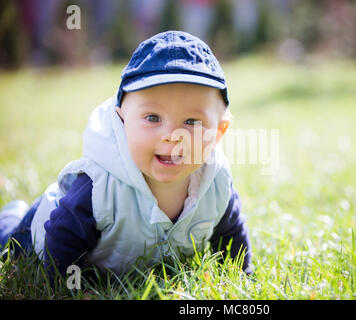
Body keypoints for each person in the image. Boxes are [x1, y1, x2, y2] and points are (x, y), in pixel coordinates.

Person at [0, 31, 252, 282]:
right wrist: (69, 287)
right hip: (39, 232)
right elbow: (62, 238)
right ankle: (11, 216)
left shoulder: (216, 184)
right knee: (10, 243)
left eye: (192, 121)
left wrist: (242, 275)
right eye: (153, 118)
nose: (172, 135)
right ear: (122, 122)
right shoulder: (100, 185)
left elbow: (230, 231)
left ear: (218, 132)